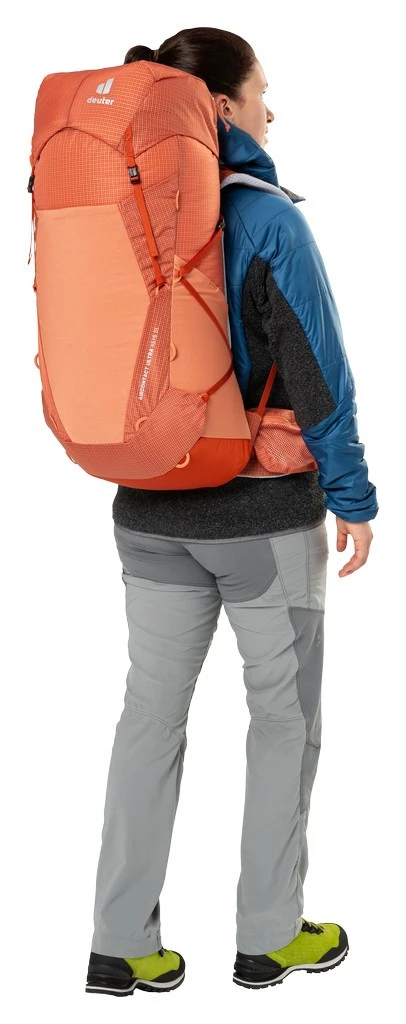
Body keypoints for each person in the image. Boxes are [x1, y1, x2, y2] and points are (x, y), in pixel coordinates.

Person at [86, 27, 378, 996]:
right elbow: (317, 373)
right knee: (283, 721)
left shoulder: (117, 201)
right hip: (262, 522)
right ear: (218, 106)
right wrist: (353, 495)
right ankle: (270, 934)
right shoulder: (263, 216)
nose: (270, 112)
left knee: (149, 719)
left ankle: (120, 943)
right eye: (259, 94)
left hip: (146, 511)